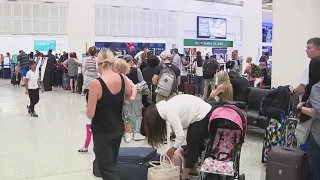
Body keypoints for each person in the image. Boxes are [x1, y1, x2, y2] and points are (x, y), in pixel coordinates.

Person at [86, 49, 132, 180]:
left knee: (107, 170)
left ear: (99, 63)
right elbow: (129, 96)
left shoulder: (96, 83)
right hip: (117, 129)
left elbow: (90, 114)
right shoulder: (122, 78)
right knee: (111, 164)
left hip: (102, 132)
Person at [144, 94, 213, 180]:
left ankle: (185, 175)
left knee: (192, 144)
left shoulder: (170, 112)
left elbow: (180, 136)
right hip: (202, 111)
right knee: (193, 142)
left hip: (203, 114)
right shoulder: (165, 108)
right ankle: (193, 169)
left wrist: (172, 150)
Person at [297, 58, 320, 180]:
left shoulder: (316, 88)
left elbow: (316, 113)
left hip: (316, 134)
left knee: (315, 170)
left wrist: (301, 108)